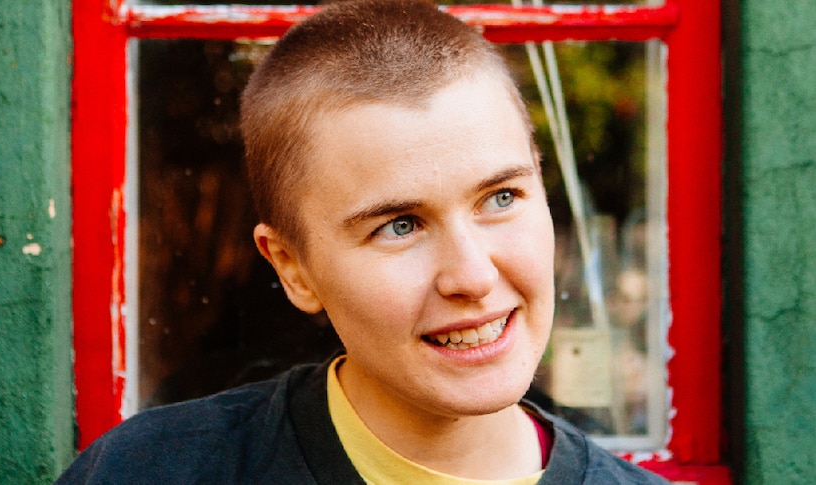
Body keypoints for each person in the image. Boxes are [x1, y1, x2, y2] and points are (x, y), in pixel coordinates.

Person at [57, 1, 668, 483]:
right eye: (400, 225)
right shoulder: (148, 472)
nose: (474, 276)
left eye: (500, 198)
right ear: (294, 270)